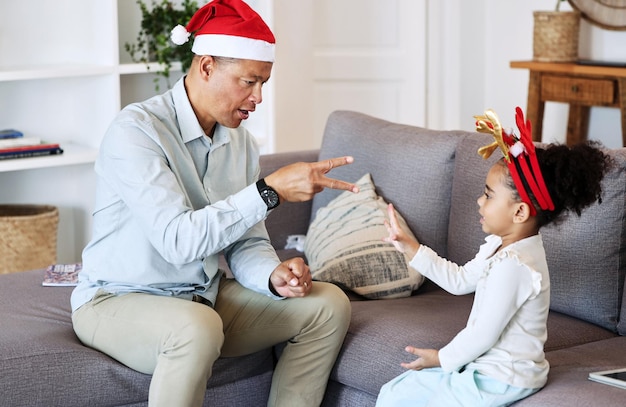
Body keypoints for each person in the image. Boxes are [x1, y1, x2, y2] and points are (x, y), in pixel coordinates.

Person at [70, 1, 359, 406]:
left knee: (327, 306)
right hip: (119, 299)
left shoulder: (239, 142)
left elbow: (246, 242)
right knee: (196, 327)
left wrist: (273, 277)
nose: (258, 97)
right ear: (206, 67)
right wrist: (268, 190)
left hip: (201, 298)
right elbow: (177, 241)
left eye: (264, 84)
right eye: (249, 81)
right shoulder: (135, 131)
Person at [376, 107, 612, 407]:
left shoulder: (516, 266)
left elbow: (482, 334)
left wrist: (441, 358)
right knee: (396, 391)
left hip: (503, 378)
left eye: (488, 195)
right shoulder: (497, 247)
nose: (479, 201)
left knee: (415, 399)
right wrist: (412, 247)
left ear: (520, 212)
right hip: (484, 368)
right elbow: (460, 280)